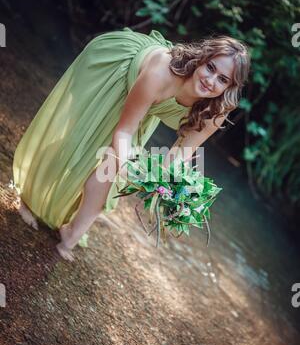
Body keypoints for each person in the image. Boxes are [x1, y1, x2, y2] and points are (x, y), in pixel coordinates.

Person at [12, 27, 251, 261]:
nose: (210, 81)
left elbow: (181, 153)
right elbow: (125, 130)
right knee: (77, 141)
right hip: (113, 69)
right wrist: (127, 167)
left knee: (107, 170)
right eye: (210, 68)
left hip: (143, 102)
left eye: (222, 79)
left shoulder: (216, 111)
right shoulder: (161, 74)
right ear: (201, 59)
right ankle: (30, 197)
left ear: (229, 88)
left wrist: (164, 186)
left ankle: (71, 234)